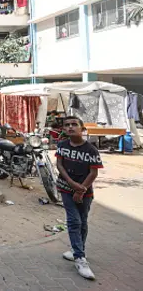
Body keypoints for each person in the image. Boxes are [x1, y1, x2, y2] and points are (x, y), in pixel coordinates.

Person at [56, 116, 103, 280]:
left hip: (85, 192)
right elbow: (59, 164)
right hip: (65, 188)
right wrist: (70, 183)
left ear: (82, 129)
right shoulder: (62, 145)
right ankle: (80, 258)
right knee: (74, 221)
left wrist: (81, 190)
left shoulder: (91, 150)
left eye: (74, 124)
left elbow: (93, 172)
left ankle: (77, 249)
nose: (70, 127)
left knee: (82, 221)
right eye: (67, 125)